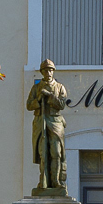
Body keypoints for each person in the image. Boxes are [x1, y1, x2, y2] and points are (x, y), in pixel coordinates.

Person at [26, 58, 69, 194]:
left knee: (56, 152)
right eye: (45, 70)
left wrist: (50, 95)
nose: (48, 73)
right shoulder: (36, 88)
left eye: (50, 70)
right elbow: (29, 105)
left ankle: (56, 181)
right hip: (41, 120)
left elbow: (61, 104)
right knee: (43, 153)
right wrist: (39, 99)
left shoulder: (60, 87)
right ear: (42, 72)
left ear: (53, 71)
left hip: (55, 121)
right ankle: (43, 181)